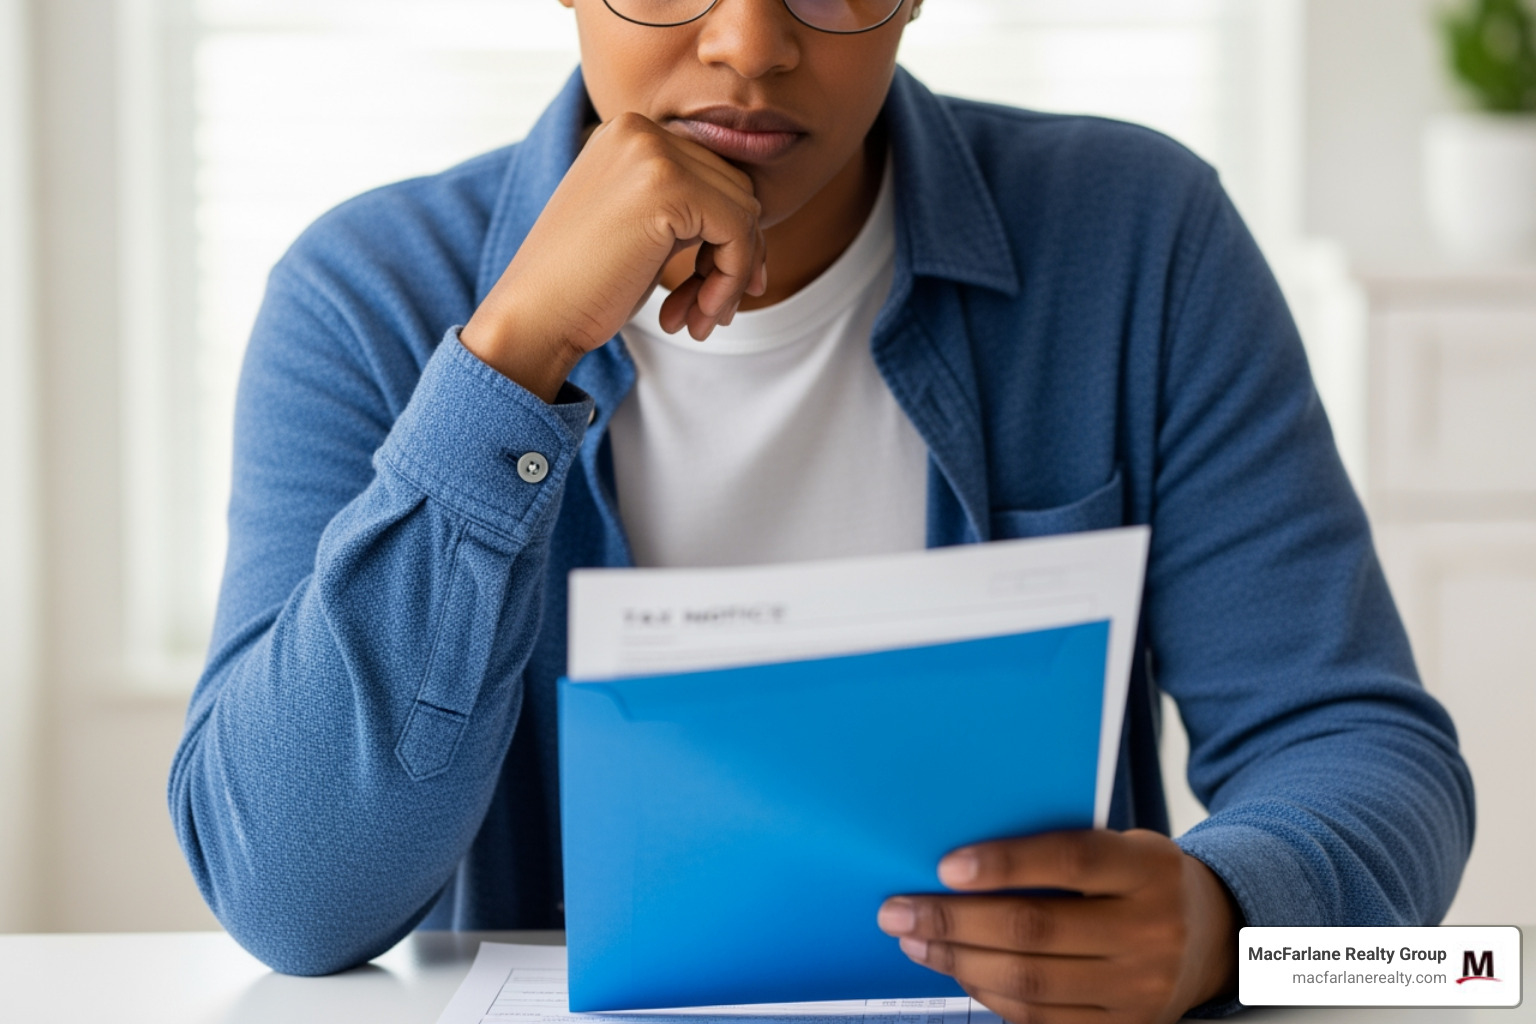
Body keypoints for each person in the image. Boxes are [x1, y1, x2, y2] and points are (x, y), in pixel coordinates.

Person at [167, 1, 1475, 1021]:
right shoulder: (370, 295)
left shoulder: (1139, 240)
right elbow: (291, 898)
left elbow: (1364, 747)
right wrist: (512, 355)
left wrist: (1229, 923)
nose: (752, 47)